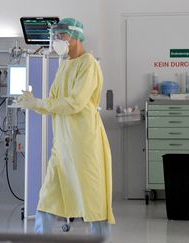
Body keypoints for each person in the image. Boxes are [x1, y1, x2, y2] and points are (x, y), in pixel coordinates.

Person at [17, 18, 115, 237]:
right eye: (56, 37)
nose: (58, 41)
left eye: (61, 36)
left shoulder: (88, 63)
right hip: (62, 145)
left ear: (75, 37)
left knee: (93, 199)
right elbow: (54, 103)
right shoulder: (65, 66)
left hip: (84, 144)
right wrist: (33, 102)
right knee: (47, 197)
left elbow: (75, 103)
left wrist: (40, 103)